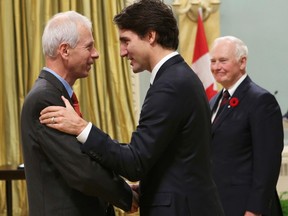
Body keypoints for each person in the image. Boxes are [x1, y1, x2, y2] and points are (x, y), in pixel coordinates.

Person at [39, 0, 224, 215]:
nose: (122, 52)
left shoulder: (170, 85)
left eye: (126, 41)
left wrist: (82, 128)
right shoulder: (177, 77)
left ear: (151, 36)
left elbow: (134, 163)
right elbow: (167, 155)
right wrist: (148, 185)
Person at [20, 11, 137, 216]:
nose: (96, 54)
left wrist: (123, 186)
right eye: (89, 46)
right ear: (65, 50)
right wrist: (126, 196)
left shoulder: (55, 93)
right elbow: (81, 170)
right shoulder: (44, 99)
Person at [209, 36, 284, 216]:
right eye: (213, 61)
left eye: (223, 61)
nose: (216, 67)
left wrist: (255, 210)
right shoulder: (213, 101)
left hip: (248, 208)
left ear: (242, 62)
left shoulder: (261, 101)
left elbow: (268, 163)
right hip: (219, 204)